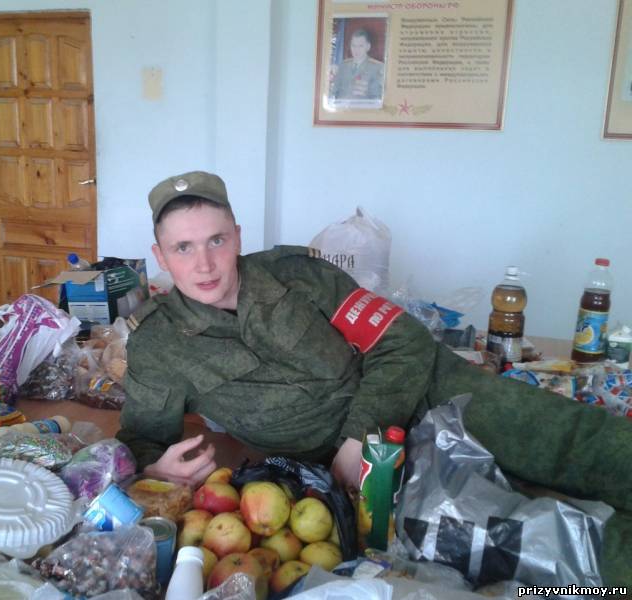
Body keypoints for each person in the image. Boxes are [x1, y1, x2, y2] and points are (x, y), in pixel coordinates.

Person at [117, 170, 632, 586]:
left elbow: (403, 340)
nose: (205, 264)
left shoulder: (297, 275)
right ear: (160, 256)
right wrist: (154, 466)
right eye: (183, 248)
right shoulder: (159, 345)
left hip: (430, 391)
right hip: (368, 479)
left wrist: (355, 437)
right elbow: (140, 439)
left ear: (237, 236)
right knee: (553, 545)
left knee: (576, 441)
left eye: (216, 240)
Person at [329, 28, 385, 101]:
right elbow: (333, 92)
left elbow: (378, 98)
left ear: (368, 47)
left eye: (360, 46)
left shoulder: (377, 67)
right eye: (353, 45)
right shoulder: (343, 65)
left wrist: (366, 92)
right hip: (341, 107)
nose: (356, 49)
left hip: (363, 107)